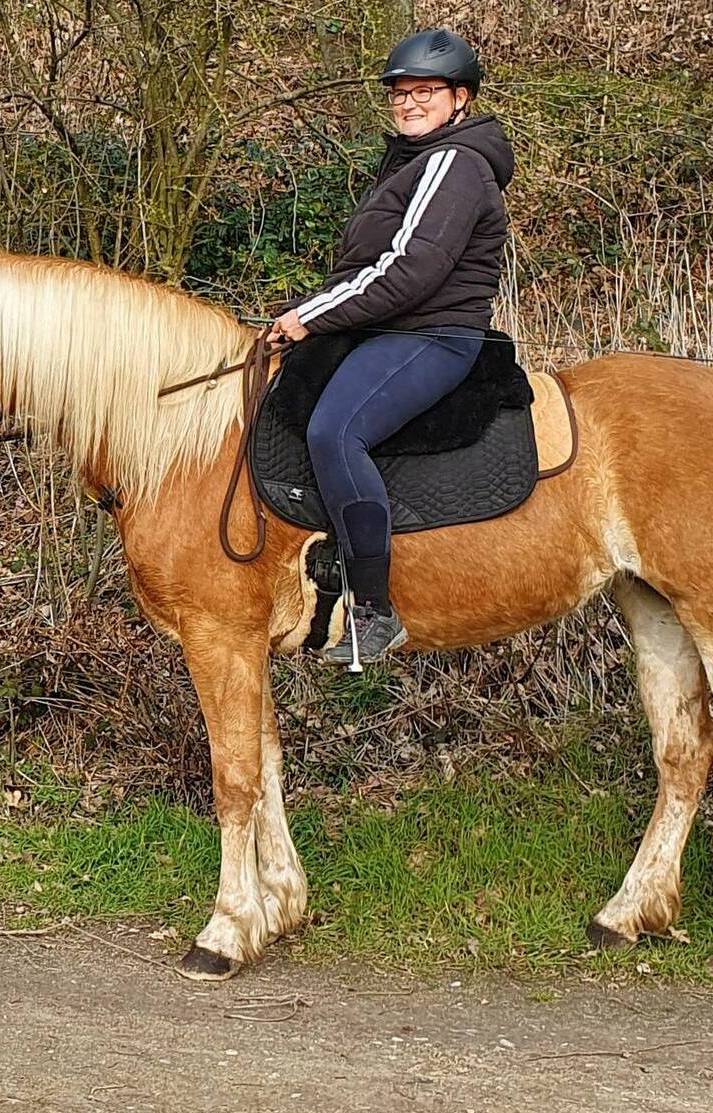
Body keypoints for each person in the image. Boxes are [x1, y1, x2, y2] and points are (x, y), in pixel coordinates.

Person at [266, 28, 515, 666]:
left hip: (430, 333)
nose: (408, 104)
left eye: (424, 92)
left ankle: (374, 610)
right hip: (388, 328)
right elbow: (366, 265)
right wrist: (306, 317)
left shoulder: (453, 163)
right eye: (400, 94)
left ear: (460, 98)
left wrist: (310, 317)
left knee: (335, 431)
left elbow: (408, 270)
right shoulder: (412, 162)